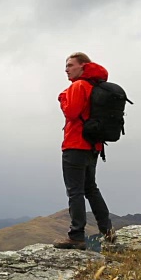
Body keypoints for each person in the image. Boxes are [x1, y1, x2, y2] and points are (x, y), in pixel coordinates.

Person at [53, 52, 116, 250]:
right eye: (66, 65)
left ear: (83, 66)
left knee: (75, 191)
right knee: (91, 189)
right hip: (93, 146)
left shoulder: (79, 86)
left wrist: (63, 97)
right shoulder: (94, 86)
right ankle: (108, 232)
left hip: (75, 145)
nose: (66, 69)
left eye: (70, 65)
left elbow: (71, 112)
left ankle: (76, 236)